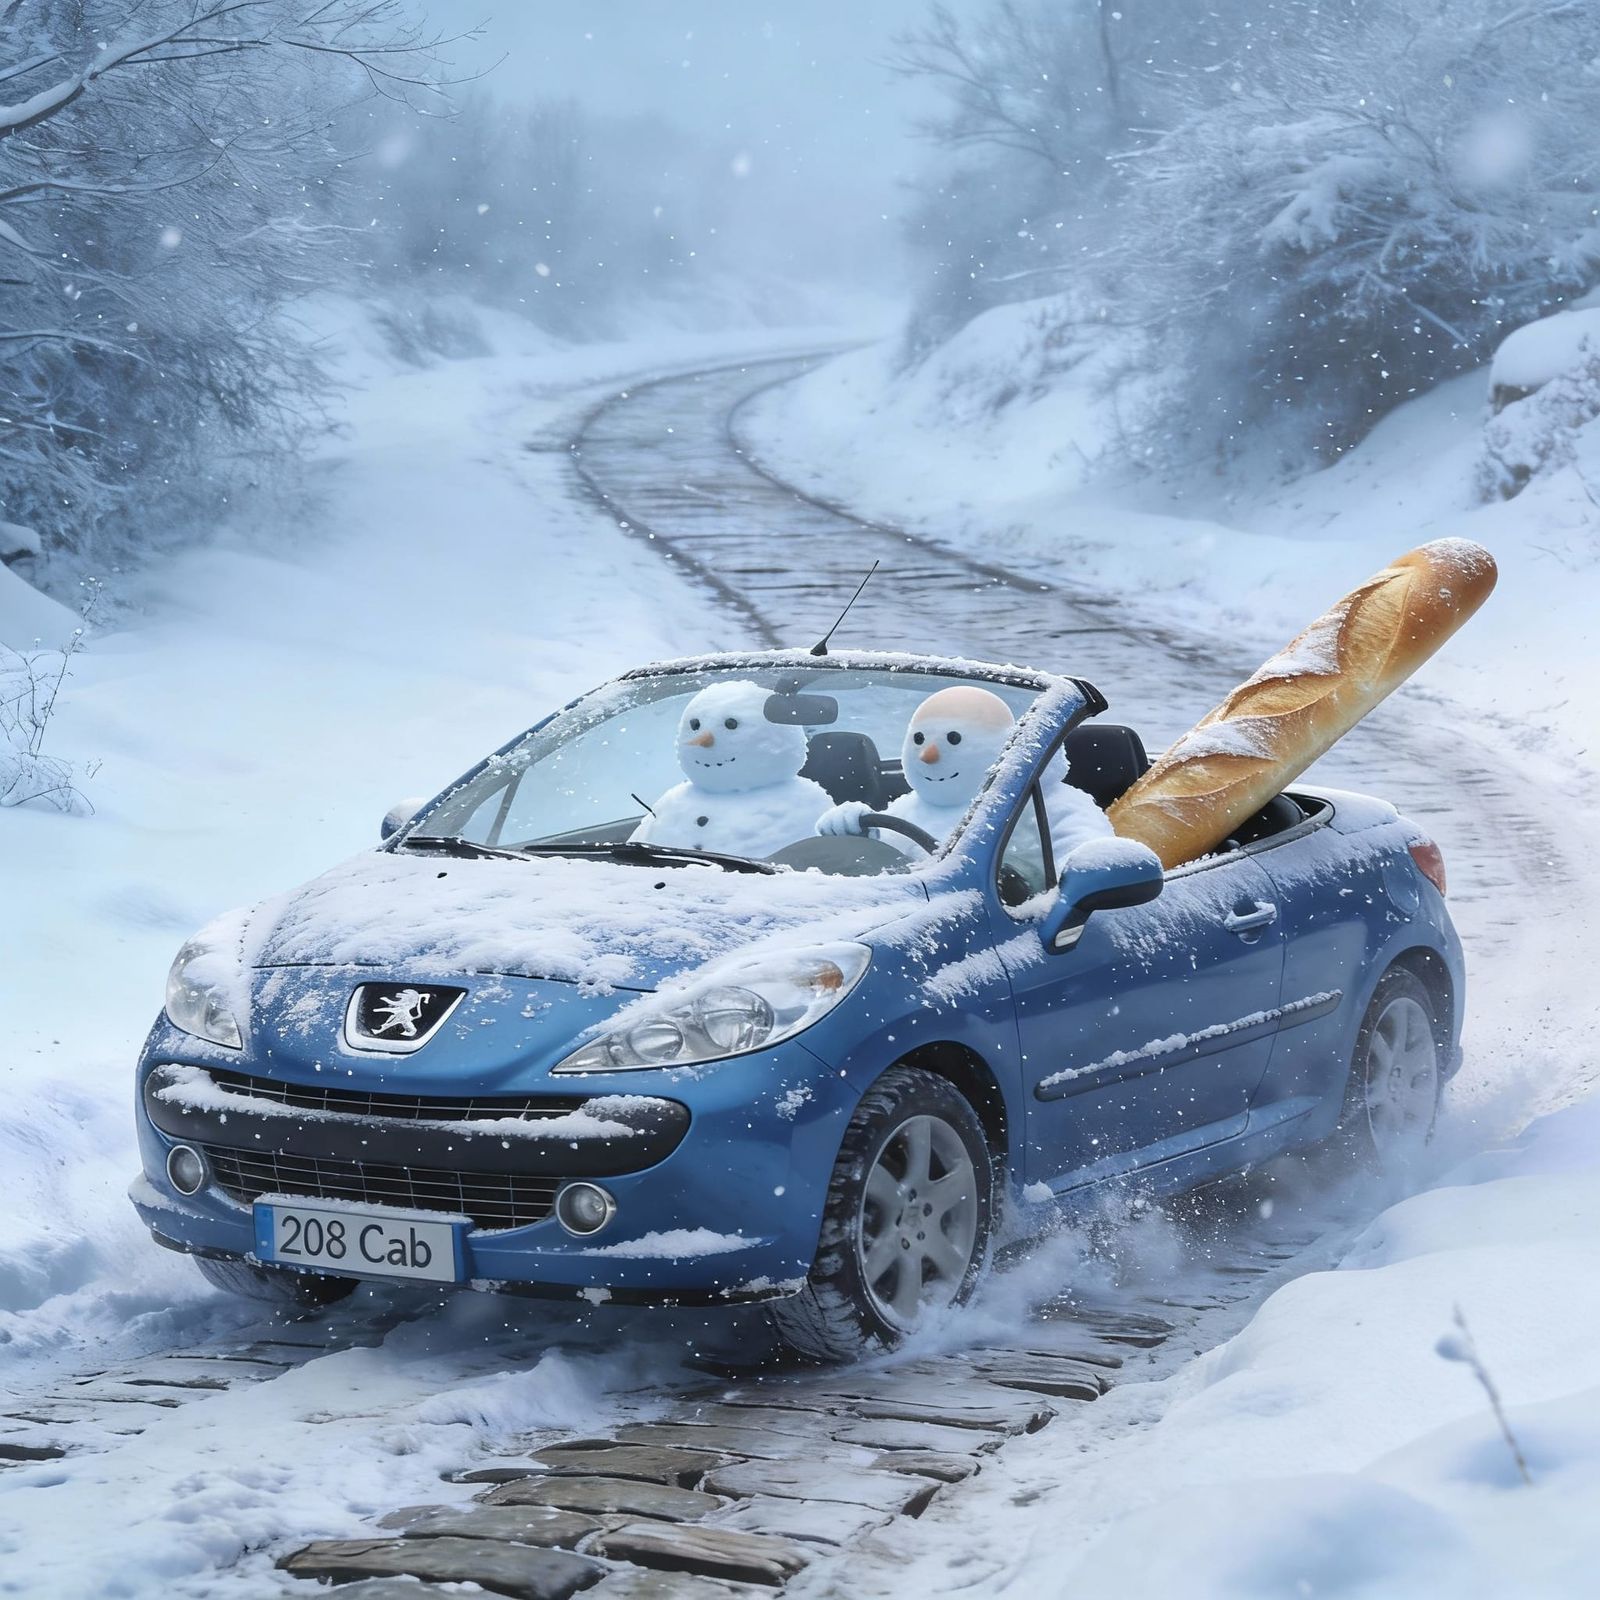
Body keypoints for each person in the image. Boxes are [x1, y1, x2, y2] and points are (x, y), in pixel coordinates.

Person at [816, 685, 1111, 864]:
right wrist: (858, 832)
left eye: (954, 740)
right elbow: (881, 866)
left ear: (1006, 744)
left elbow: (1090, 875)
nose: (927, 756)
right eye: (919, 740)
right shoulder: (909, 807)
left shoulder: (1051, 807)